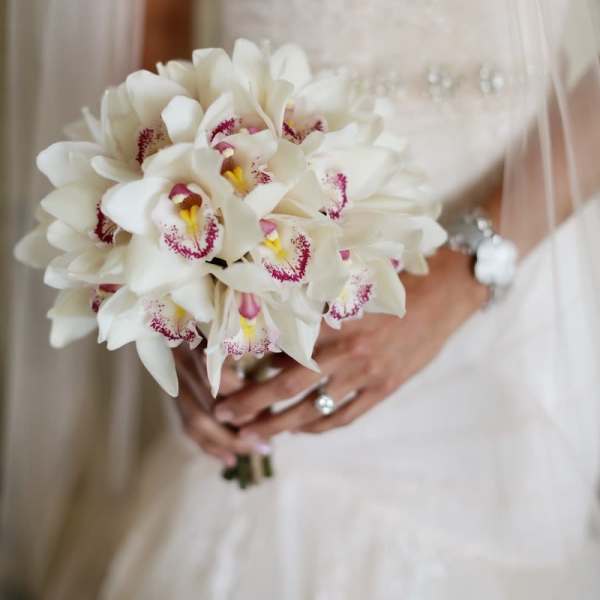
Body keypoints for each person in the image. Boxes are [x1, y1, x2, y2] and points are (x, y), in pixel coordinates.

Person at [97, 1, 600, 598]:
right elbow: (158, 23)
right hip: (260, 276)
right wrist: (182, 280)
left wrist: (468, 272)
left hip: (518, 264)